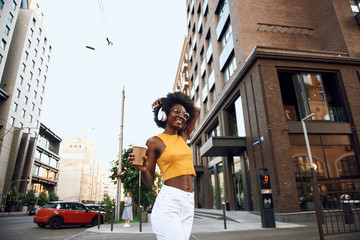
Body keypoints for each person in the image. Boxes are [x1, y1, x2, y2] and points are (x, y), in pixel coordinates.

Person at [130, 92, 200, 240]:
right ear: (164, 114)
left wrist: (168, 100)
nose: (181, 116)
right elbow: (149, 182)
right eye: (176, 111)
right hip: (170, 201)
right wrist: (143, 170)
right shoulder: (154, 142)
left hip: (188, 202)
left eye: (184, 114)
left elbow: (196, 110)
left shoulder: (183, 136)